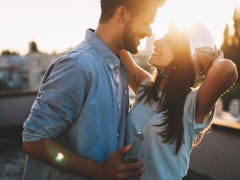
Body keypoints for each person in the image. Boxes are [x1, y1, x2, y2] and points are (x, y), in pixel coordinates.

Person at [22, 0, 166, 179]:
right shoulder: (78, 67)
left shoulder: (119, 69)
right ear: (122, 14)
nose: (149, 31)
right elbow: (33, 141)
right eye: (146, 22)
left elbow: (162, 98)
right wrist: (100, 171)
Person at [119, 26, 238, 179]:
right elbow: (120, 50)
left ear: (184, 56)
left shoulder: (192, 105)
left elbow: (227, 71)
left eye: (168, 41)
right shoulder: (146, 87)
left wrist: (211, 59)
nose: (156, 41)